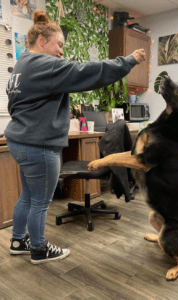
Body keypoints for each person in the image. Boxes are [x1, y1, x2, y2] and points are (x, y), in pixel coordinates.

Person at [5, 9, 145, 264]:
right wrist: (128, 61)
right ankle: (38, 249)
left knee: (27, 195)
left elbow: (15, 107)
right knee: (40, 201)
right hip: (38, 145)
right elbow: (88, 71)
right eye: (59, 45)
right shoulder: (45, 65)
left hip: (19, 142)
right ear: (42, 41)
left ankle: (17, 240)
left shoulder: (21, 66)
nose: (61, 52)